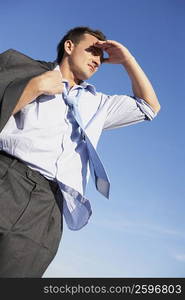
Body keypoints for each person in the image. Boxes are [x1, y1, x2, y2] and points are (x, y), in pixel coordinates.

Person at [0, 26, 160, 277]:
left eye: (101, 56)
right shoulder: (27, 71)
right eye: (93, 51)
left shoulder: (99, 104)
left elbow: (150, 107)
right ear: (69, 47)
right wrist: (35, 86)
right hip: (8, 178)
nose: (98, 60)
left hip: (49, 205)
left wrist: (127, 60)